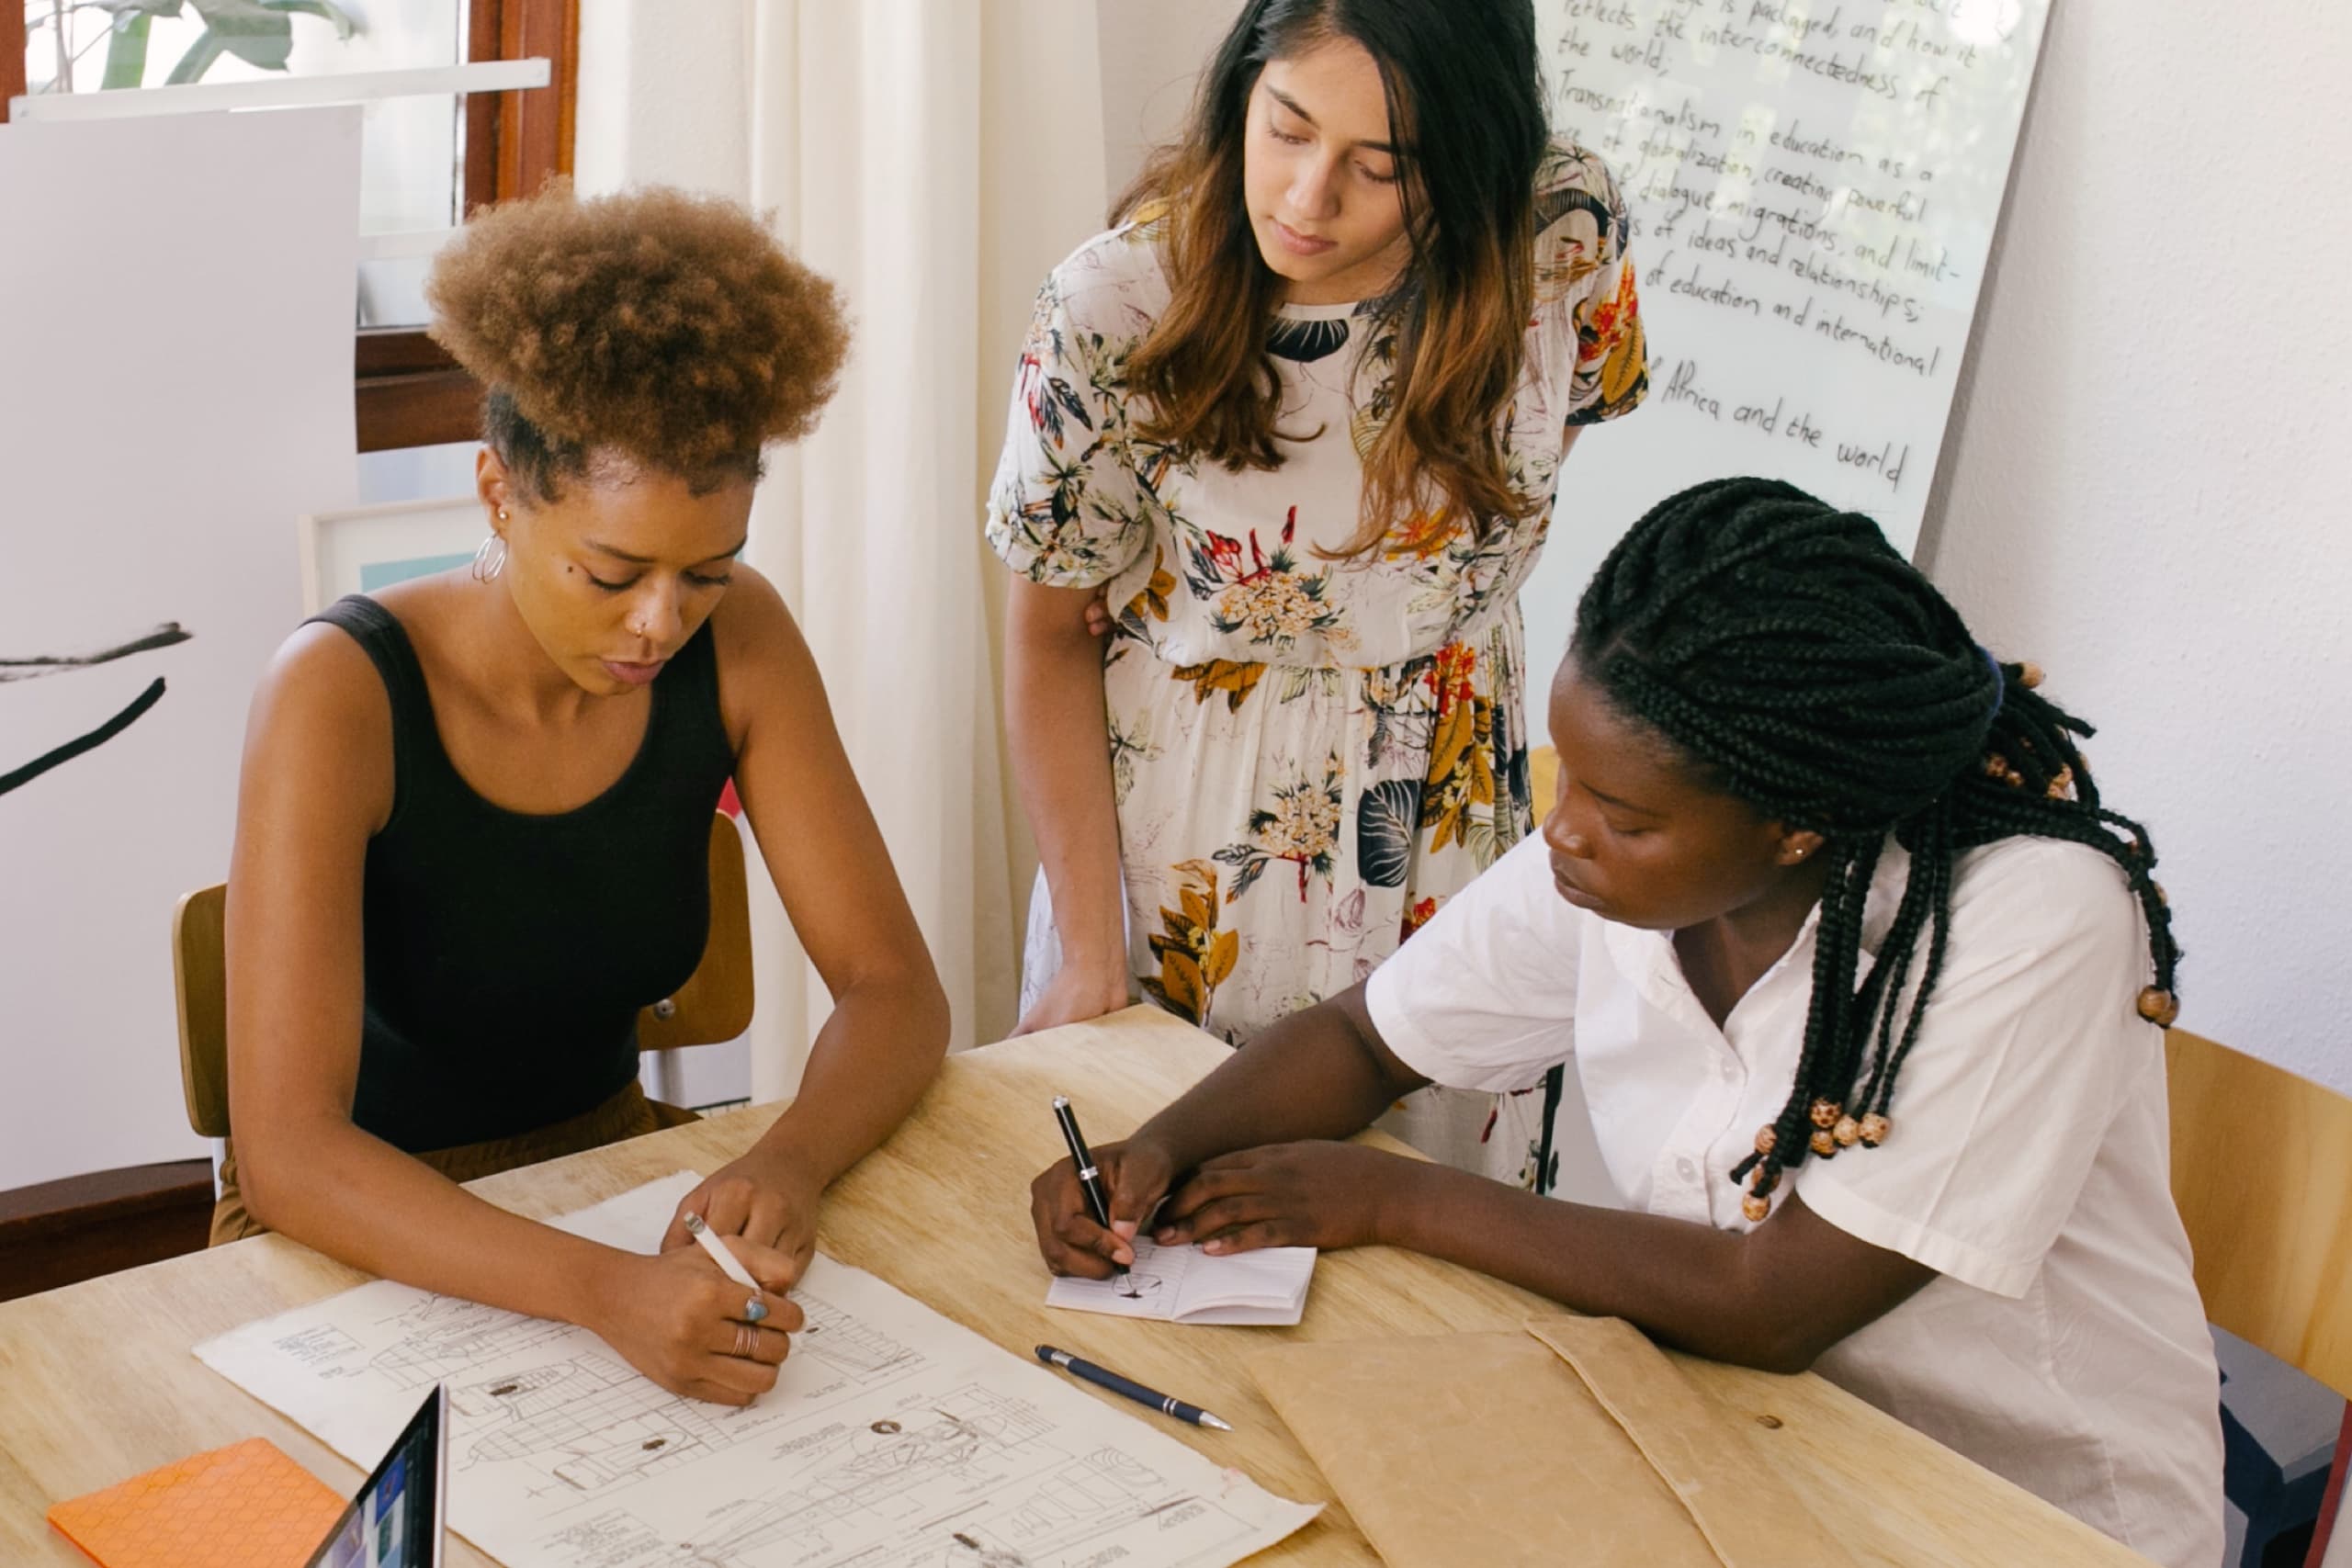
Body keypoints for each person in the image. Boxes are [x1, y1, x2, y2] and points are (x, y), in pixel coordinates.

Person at [1029, 478, 2224, 1565]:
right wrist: (1162, 1149)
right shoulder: (1620, 864)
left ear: (1793, 826)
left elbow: (1776, 1303)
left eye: (1624, 814)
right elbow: (1363, 1040)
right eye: (1572, 778)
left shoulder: (2030, 916)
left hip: (2018, 1513)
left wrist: (1390, 1196)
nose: (1564, 830)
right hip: (1738, 1440)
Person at [221, 185, 950, 1407]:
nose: (660, 623)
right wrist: (606, 1293)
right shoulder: (337, 692)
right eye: (612, 573)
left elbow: (894, 990)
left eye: (706, 574)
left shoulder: (742, 644)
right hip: (360, 1230)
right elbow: (291, 1157)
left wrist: (790, 1161)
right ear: (500, 494)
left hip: (608, 1178)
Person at [989, 0, 1647, 1184]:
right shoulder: (1116, 301)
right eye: (1284, 129)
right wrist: (1091, 952)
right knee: (1163, 1236)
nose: (1305, 198)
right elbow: (1044, 636)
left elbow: (1511, 494)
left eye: (1379, 166)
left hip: (1454, 828)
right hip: (1195, 853)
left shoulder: (1562, 237)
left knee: (1437, 1270)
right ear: (1242, 84)